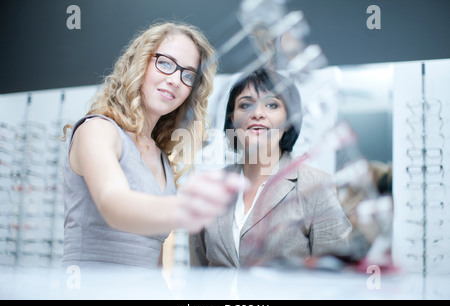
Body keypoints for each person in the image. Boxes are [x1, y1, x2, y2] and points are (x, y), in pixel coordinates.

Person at [60, 21, 244, 271]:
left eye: (188, 74)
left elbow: (155, 263)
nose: (175, 80)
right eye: (165, 63)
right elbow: (115, 206)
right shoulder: (98, 130)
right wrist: (189, 205)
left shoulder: (163, 159)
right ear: (140, 63)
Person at [191, 68, 352, 268]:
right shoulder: (211, 187)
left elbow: (334, 275)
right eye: (246, 105)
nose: (257, 113)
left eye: (272, 105)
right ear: (232, 119)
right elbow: (196, 274)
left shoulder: (316, 186)